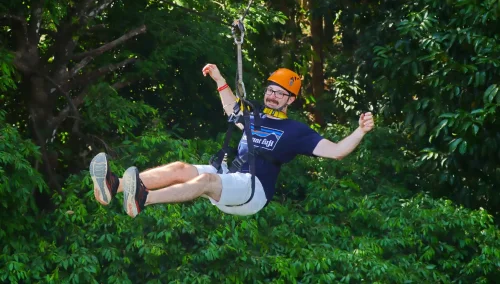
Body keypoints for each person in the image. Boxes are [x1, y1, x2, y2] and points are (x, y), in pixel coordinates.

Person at [89, 64, 374, 217]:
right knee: (180, 168)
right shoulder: (254, 118)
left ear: (291, 99)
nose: (271, 95)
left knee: (206, 183)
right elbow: (231, 110)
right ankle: (115, 186)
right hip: (234, 176)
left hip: (254, 191)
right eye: (270, 90)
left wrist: (359, 131)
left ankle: (143, 199)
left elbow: (336, 151)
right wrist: (220, 79)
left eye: (279, 93)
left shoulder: (297, 131)